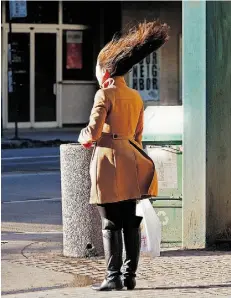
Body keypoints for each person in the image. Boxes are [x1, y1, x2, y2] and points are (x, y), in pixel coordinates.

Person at [78, 20, 169, 291]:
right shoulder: (135, 96)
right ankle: (130, 277)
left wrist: (83, 137)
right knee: (130, 219)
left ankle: (112, 277)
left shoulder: (103, 94)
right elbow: (138, 135)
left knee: (110, 222)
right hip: (132, 158)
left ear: (105, 71)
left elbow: (93, 132)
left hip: (107, 161)